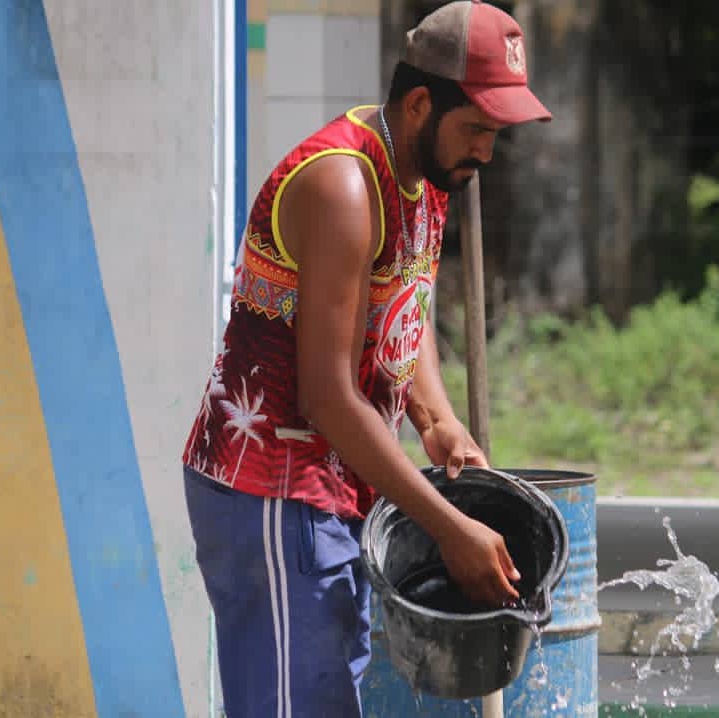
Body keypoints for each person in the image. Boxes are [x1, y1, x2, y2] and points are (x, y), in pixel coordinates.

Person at [180, 1, 551, 715]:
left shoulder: (429, 174)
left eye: (495, 134)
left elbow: (406, 304)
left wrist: (435, 418)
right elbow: (326, 396)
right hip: (273, 489)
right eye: (476, 129)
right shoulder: (342, 188)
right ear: (420, 105)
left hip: (335, 483)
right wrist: (448, 528)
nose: (486, 152)